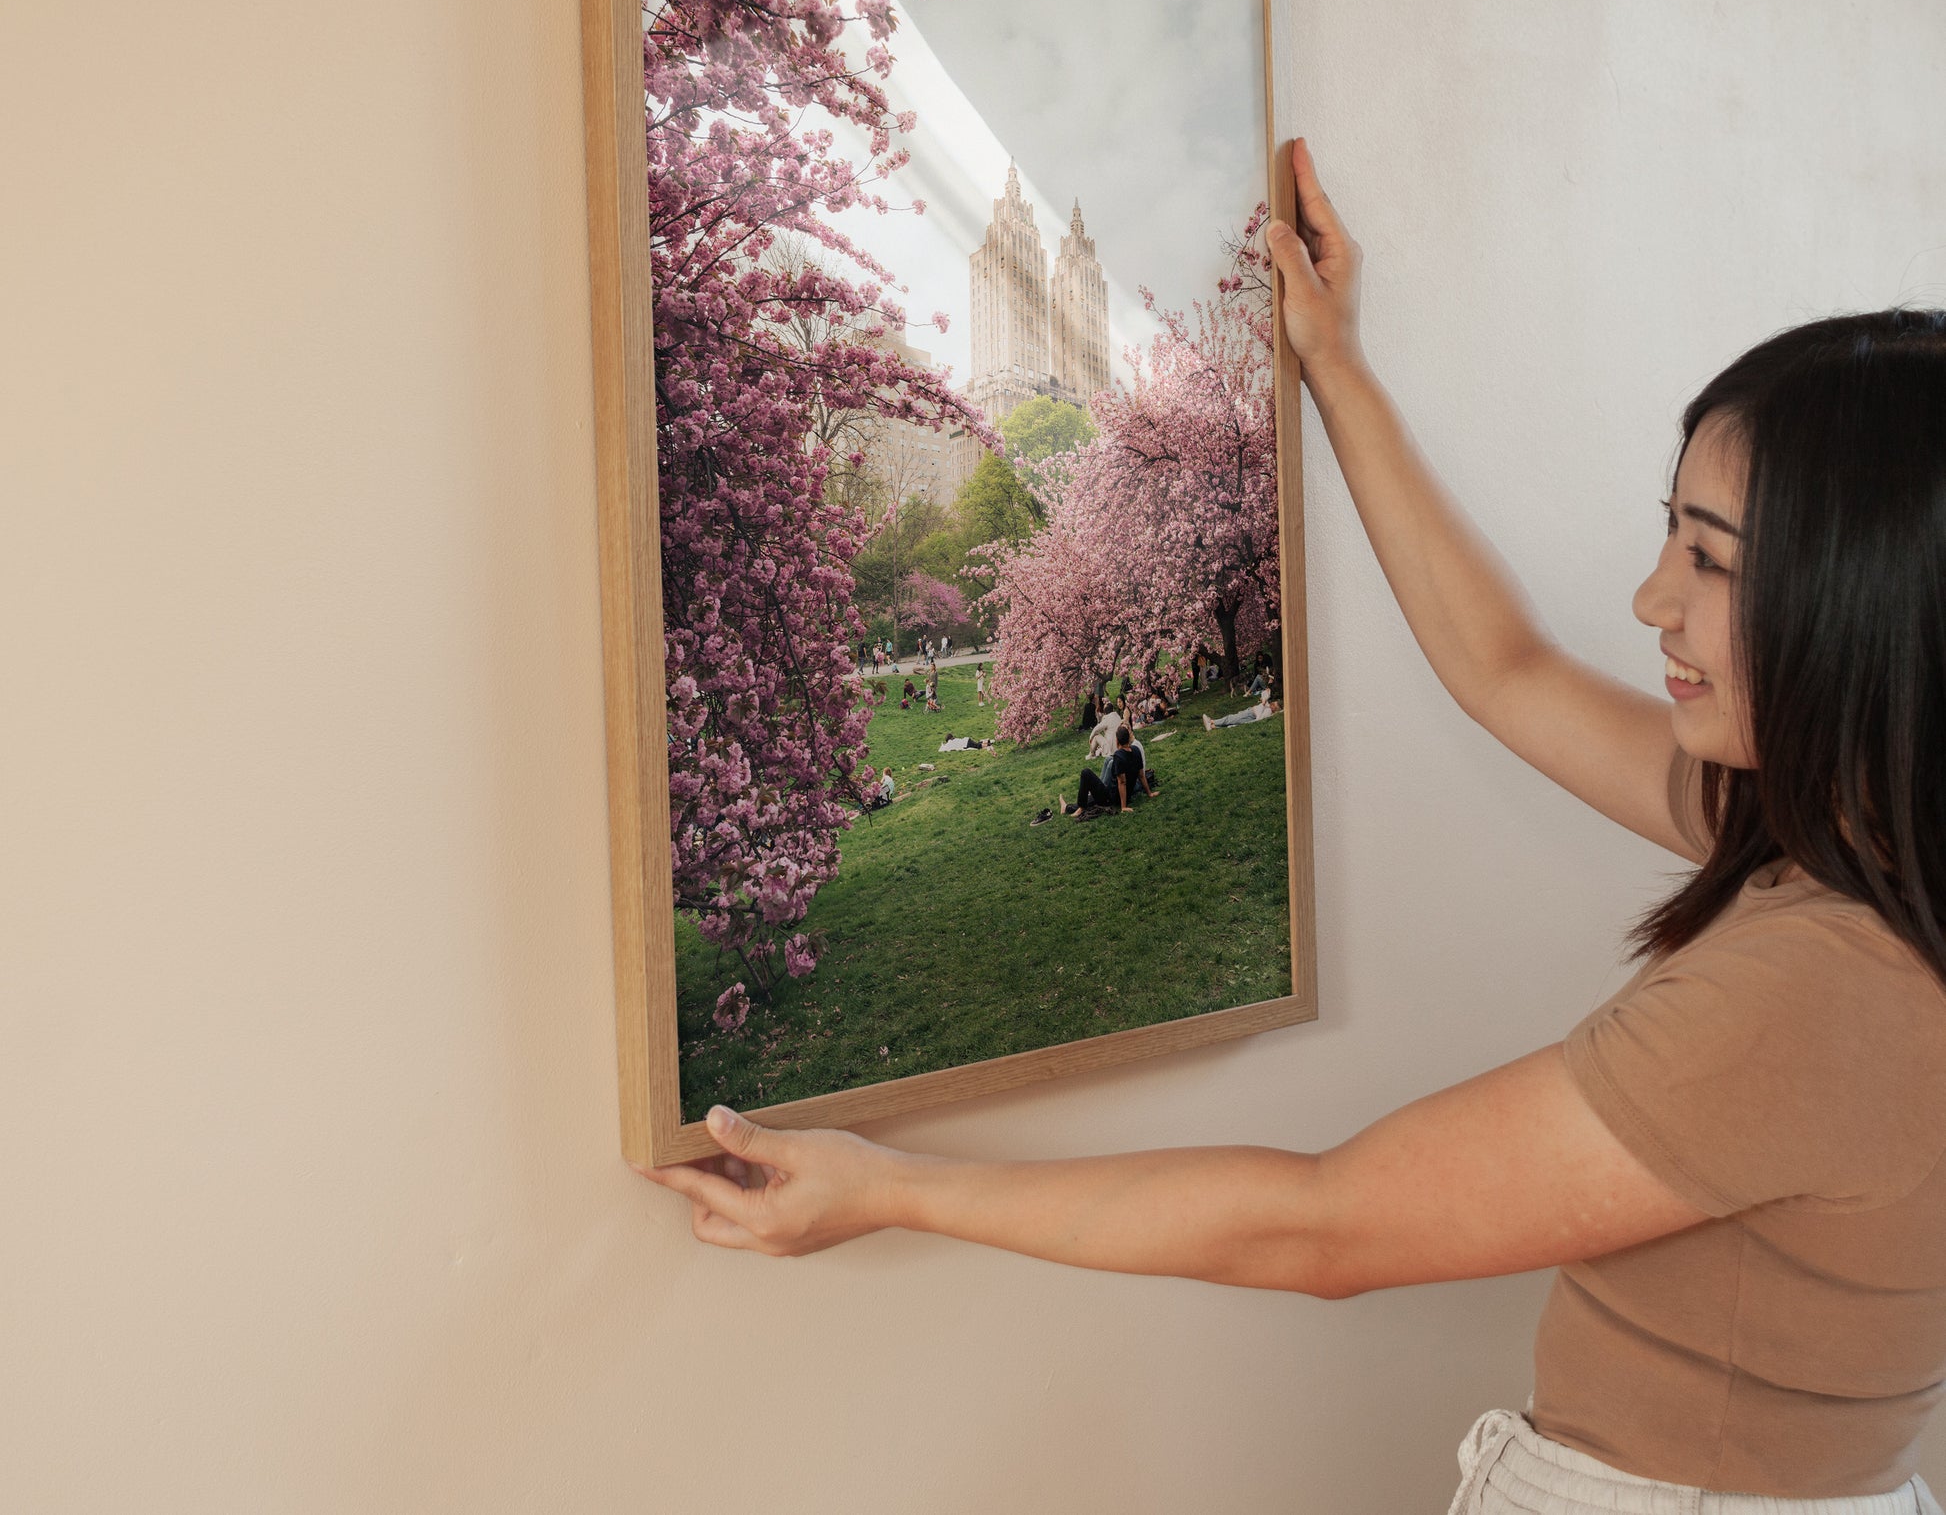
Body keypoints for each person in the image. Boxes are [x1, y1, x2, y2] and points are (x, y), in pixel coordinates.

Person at [640, 140, 1946, 1511]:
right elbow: (1506, 669)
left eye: (1706, 556)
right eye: (1666, 534)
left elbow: (1321, 1225)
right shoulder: (1857, 834)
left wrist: (886, 1187)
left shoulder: (1823, 986)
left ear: (1861, 601)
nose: (1648, 599)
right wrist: (1333, 362)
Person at [1059, 725, 1153, 818]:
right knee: (1108, 760)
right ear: (1128, 739)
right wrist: (1149, 793)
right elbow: (1141, 775)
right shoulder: (1136, 750)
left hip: (1111, 799)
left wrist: (1123, 806)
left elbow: (1122, 782)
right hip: (1125, 794)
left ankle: (1080, 808)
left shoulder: (1119, 755)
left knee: (1086, 773)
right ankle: (1069, 807)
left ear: (1117, 741)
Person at [1202, 697, 1281, 732]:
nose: (1272, 704)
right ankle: (1212, 726)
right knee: (1232, 721)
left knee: (1230, 718)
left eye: (1274, 705)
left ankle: (1212, 721)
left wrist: (1262, 705)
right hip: (1249, 712)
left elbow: (1259, 718)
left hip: (1250, 714)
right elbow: (1266, 693)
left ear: (1275, 710)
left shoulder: (1268, 711)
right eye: (1274, 703)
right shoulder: (1268, 707)